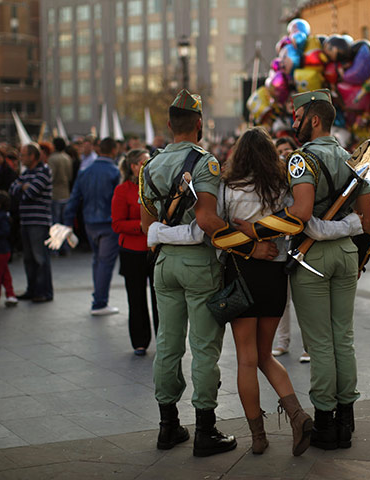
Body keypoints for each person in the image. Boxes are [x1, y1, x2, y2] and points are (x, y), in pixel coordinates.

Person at [140, 89, 266, 457]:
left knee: (167, 344)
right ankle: (205, 431)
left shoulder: (149, 165)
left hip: (164, 264)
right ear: (198, 125)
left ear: (167, 125)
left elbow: (147, 222)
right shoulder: (205, 163)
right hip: (198, 263)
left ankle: (168, 426)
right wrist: (247, 245)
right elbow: (208, 219)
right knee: (204, 349)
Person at [284, 89, 370, 450]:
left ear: (314, 119)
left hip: (313, 258)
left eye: (297, 115)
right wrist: (343, 227)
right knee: (343, 338)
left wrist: (271, 221)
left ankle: (325, 422)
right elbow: (367, 221)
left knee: (320, 343)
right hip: (346, 255)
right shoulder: (354, 159)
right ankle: (346, 420)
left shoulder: (301, 160)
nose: (294, 122)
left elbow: (302, 214)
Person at [218, 127, 313, 456]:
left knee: (246, 360)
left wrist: (248, 247)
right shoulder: (282, 188)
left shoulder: (228, 188)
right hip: (275, 275)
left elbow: (218, 233)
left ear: (239, 155)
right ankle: (298, 417)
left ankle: (258, 437)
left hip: (241, 274)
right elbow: (295, 221)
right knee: (265, 355)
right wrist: (264, 239)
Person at [62, 137, 121, 315]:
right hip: (108, 222)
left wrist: (68, 224)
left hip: (90, 222)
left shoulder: (85, 171)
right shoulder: (114, 172)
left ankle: (98, 299)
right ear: (113, 151)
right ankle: (100, 302)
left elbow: (73, 200)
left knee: (97, 260)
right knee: (104, 262)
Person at [111, 148, 159, 354]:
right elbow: (117, 224)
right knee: (136, 298)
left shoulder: (156, 187)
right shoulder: (122, 190)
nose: (148, 166)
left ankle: (164, 340)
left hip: (155, 249)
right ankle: (139, 342)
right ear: (133, 166)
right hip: (132, 251)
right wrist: (141, 225)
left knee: (161, 299)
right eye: (143, 162)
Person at [271, 136, 309, 363]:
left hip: (299, 242)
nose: (284, 155)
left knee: (303, 298)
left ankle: (308, 345)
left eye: (288, 151)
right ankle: (282, 341)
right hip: (279, 244)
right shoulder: (273, 181)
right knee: (282, 299)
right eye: (280, 151)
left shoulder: (301, 177)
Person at [9, 143, 54, 302]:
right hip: (26, 220)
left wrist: (22, 189)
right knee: (28, 258)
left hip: (38, 221)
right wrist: (23, 188)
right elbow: (12, 190)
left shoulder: (44, 171)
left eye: (23, 155)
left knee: (40, 258)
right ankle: (32, 289)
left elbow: (31, 193)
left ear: (32, 156)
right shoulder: (26, 173)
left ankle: (44, 292)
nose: (21, 158)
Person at [48, 137, 74, 256]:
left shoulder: (52, 159)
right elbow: (70, 176)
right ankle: (66, 247)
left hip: (55, 194)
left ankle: (56, 248)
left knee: (56, 223)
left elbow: (50, 177)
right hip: (66, 192)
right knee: (65, 222)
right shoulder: (67, 158)